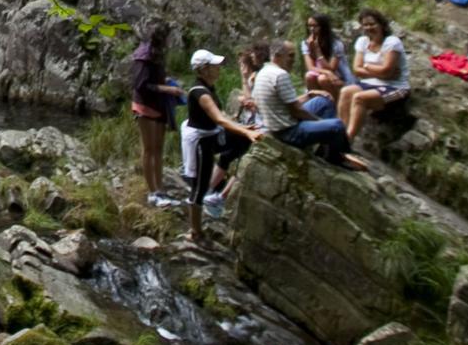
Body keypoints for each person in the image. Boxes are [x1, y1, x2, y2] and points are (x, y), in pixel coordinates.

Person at [184, 49, 265, 242]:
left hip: (212, 136)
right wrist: (245, 131)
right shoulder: (200, 93)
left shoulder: (209, 87)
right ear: (204, 70)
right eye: (214, 65)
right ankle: (195, 231)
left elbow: (222, 117)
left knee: (242, 140)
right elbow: (219, 118)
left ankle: (220, 181)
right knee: (199, 187)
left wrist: (243, 128)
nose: (219, 68)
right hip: (201, 142)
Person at [253, 40, 357, 167]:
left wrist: (309, 94)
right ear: (277, 55)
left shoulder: (264, 72)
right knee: (337, 125)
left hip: (280, 124)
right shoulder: (280, 75)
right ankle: (336, 156)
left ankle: (325, 146)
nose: (293, 60)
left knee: (324, 100)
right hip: (288, 131)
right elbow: (296, 111)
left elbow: (286, 103)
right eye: (290, 55)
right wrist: (318, 121)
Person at [130, 20, 182, 204]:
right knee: (149, 149)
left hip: (159, 105)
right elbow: (141, 85)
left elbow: (153, 78)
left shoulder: (158, 54)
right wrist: (167, 89)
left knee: (158, 149)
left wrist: (167, 81)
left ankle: (160, 189)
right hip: (145, 105)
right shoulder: (143, 55)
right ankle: (152, 192)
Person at [340, 9, 410, 138]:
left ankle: (348, 139)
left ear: (381, 25)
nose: (368, 28)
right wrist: (378, 71)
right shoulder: (362, 41)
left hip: (394, 87)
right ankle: (340, 132)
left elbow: (386, 70)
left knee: (359, 98)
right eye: (365, 25)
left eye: (372, 24)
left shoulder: (392, 42)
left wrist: (366, 66)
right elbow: (356, 69)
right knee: (346, 92)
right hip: (369, 83)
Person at [299, 13, 352, 97]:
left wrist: (317, 50)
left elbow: (331, 68)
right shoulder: (306, 43)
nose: (312, 29)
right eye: (309, 26)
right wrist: (326, 72)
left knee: (322, 79)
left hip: (339, 76)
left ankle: (335, 104)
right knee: (309, 76)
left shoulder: (336, 44)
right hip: (322, 73)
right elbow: (310, 67)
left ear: (323, 27)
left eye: (315, 26)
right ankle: (317, 101)